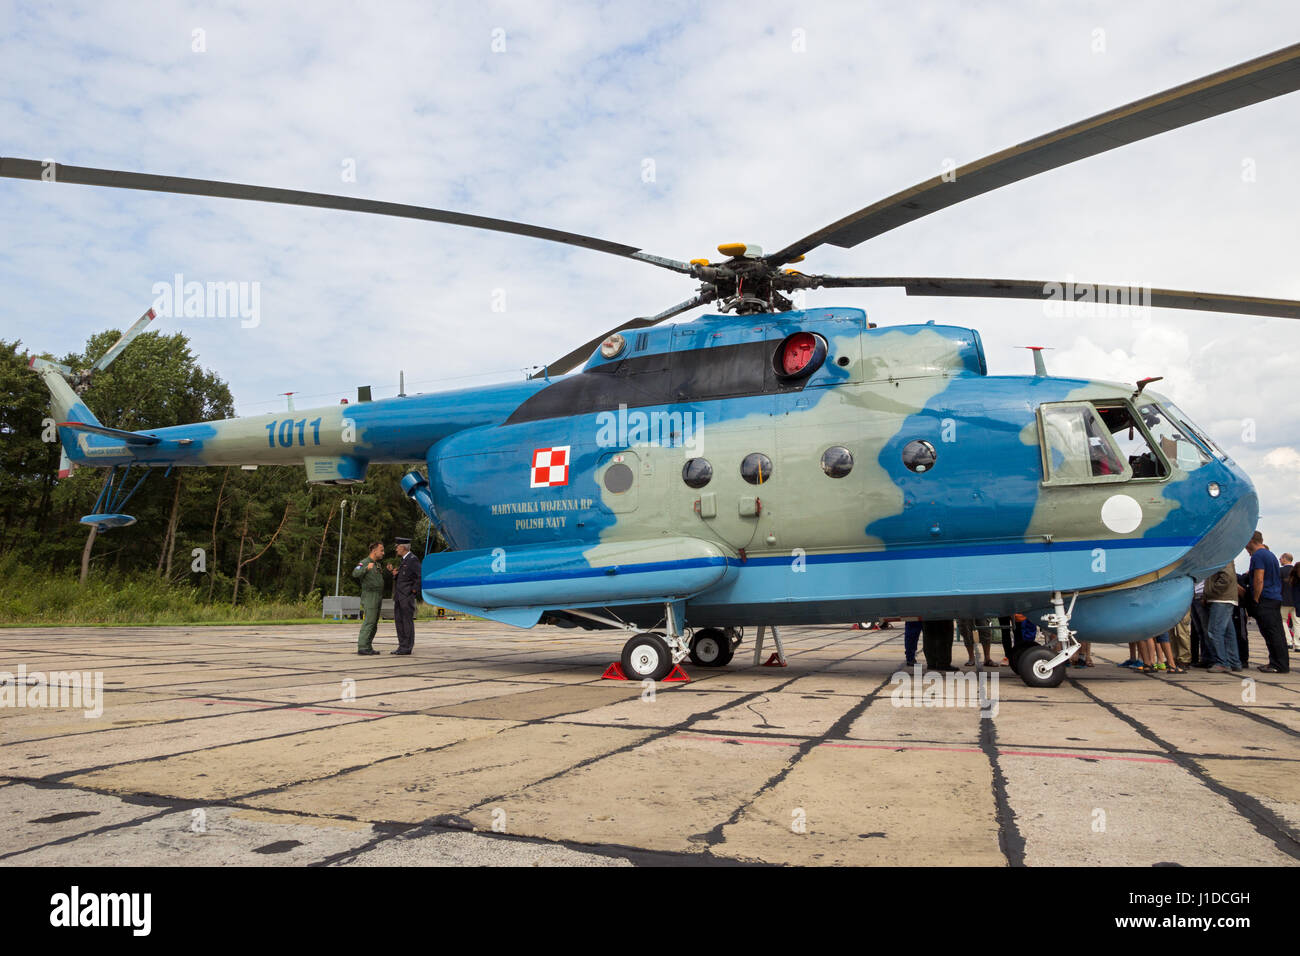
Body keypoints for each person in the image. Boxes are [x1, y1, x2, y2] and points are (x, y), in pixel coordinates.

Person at [1246, 532, 1289, 673]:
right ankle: (1278, 662)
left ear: (1251, 540)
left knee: (1271, 633)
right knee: (1276, 632)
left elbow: (1259, 578)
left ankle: (1277, 664)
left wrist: (1256, 598)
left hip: (1265, 598)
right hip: (1274, 597)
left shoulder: (1258, 555)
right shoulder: (1270, 555)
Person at [1203, 561, 1239, 672]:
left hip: (1221, 598)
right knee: (1228, 633)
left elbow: (1226, 577)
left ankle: (1222, 662)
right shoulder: (1225, 555)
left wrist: (1210, 591)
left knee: (1215, 630)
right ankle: (1234, 662)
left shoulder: (1223, 556)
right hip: (1225, 598)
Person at [352, 541, 386, 655]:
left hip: (378, 595)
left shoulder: (377, 564)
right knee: (369, 621)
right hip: (370, 595)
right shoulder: (364, 562)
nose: (383, 553)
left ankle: (368, 646)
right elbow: (355, 574)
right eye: (381, 550)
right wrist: (366, 568)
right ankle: (362, 647)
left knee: (374, 623)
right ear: (374, 550)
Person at [388, 537, 421, 655]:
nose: (396, 549)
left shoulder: (413, 559)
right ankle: (402, 646)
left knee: (407, 622)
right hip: (399, 596)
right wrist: (394, 574)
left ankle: (407, 647)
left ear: (403, 547)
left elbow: (419, 576)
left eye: (397, 547)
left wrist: (413, 591)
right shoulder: (404, 560)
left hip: (406, 597)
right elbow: (404, 577)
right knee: (399, 621)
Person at [1280, 552, 1296, 650]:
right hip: (1296, 601)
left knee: (1283, 621)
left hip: (1284, 600)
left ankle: (1288, 641)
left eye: (1281, 558)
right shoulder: (1297, 571)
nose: (1280, 560)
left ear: (1285, 559)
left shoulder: (1280, 571)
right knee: (1297, 622)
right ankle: (1298, 644)